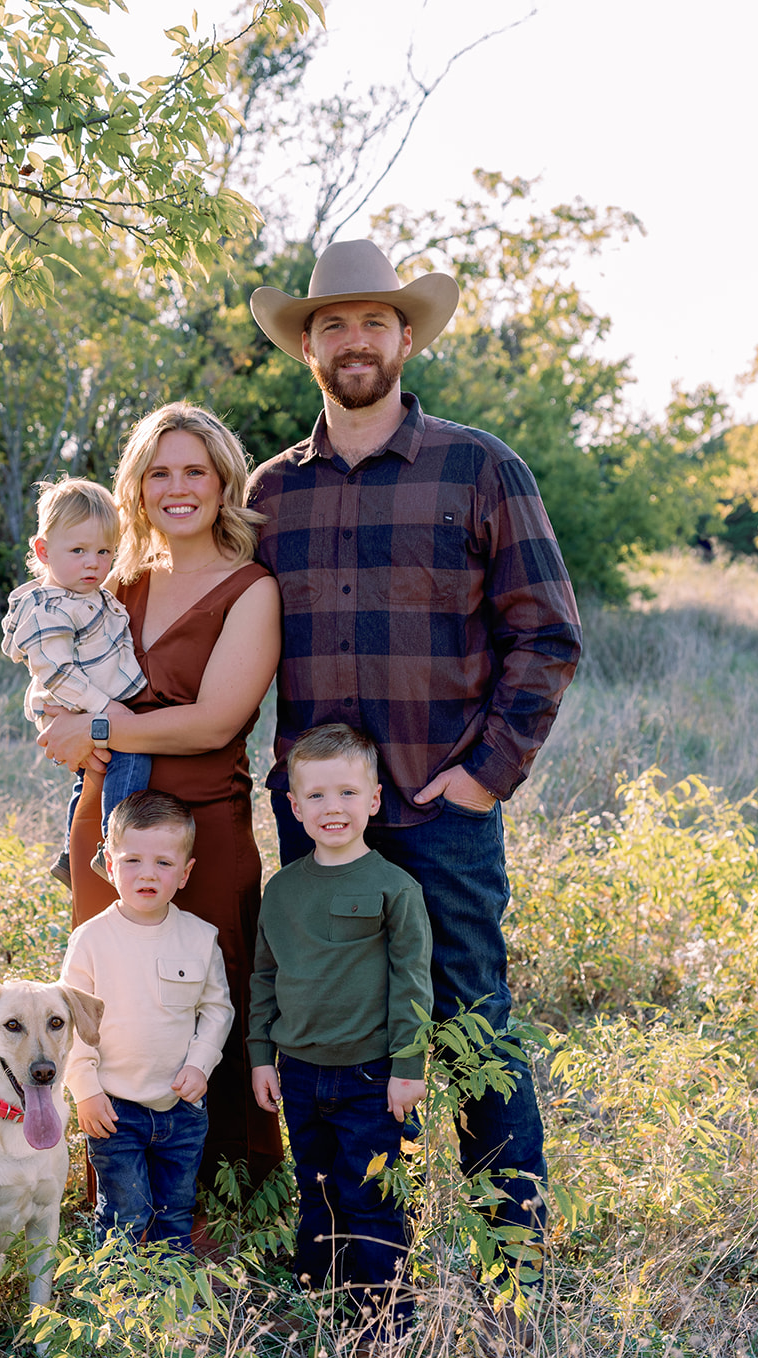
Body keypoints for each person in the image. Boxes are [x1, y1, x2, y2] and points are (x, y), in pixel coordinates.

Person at [246, 239, 583, 1300]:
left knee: (472, 1022)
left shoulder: (478, 468)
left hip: (442, 813)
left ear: (405, 337)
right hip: (319, 827)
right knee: (331, 1045)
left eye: (374, 322)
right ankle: (357, 1266)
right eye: (333, 324)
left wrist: (485, 773)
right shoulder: (269, 496)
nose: (354, 340)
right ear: (308, 346)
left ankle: (510, 1263)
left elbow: (548, 633)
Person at [37, 402, 284, 1188]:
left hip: (203, 832)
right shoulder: (113, 581)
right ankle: (116, 1186)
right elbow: (51, 677)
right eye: (159, 473)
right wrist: (66, 723)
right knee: (105, 998)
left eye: (195, 471)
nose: (178, 488)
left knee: (206, 995)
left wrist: (100, 728)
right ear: (136, 488)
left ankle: (215, 1187)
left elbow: (214, 723)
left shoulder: (251, 589)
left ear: (223, 483)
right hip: (108, 821)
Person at [250, 725, 433, 1344]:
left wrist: (408, 1066)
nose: (334, 809)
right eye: (318, 797)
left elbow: (412, 982)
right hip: (298, 1072)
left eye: (348, 793)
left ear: (374, 800)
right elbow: (265, 976)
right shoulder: (282, 891)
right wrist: (260, 1057)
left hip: (370, 1076)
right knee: (316, 1185)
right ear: (294, 807)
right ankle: (318, 1298)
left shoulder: (394, 888)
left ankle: (387, 1324)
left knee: (369, 1194)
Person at [60, 790, 233, 1252]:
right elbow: (71, 1021)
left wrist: (200, 1064)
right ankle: (115, 1305)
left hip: (181, 1107)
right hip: (115, 1108)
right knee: (124, 1214)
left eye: (162, 862)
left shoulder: (199, 937)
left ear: (185, 872)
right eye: (132, 860)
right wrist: (86, 1091)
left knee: (176, 1209)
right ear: (110, 865)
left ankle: (172, 1301)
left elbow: (217, 1009)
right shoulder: (91, 940)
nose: (147, 874)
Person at [1, 478, 150, 889]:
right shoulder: (48, 608)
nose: (93, 563)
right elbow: (57, 672)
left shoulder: (87, 595)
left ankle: (72, 853)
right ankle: (110, 847)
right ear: (44, 552)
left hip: (93, 704)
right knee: (131, 758)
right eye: (79, 551)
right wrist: (107, 708)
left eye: (104, 552)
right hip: (81, 706)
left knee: (89, 778)